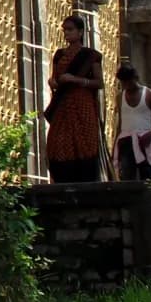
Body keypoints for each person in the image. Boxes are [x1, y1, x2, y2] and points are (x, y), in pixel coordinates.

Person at [45, 15, 104, 183]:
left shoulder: (90, 56)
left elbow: (99, 83)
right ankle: (62, 179)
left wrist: (76, 80)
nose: (66, 33)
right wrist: (53, 82)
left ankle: (86, 181)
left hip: (82, 103)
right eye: (65, 30)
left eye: (70, 30)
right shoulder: (59, 55)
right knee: (57, 142)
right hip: (63, 104)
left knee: (85, 142)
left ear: (80, 32)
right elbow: (55, 78)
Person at [114, 65, 151, 182]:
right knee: (127, 179)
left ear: (135, 78)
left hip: (145, 140)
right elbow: (120, 124)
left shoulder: (150, 95)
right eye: (123, 83)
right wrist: (116, 146)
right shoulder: (119, 98)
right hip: (126, 142)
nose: (126, 86)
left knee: (149, 178)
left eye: (129, 82)